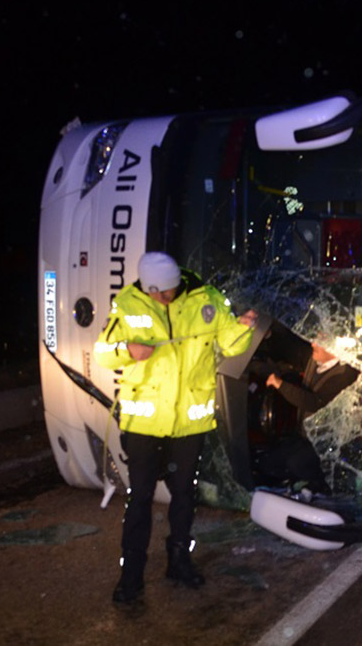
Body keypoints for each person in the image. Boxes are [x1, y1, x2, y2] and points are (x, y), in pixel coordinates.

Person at [94, 252, 256, 606]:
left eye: (170, 292)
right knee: (139, 499)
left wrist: (242, 328)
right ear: (147, 287)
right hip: (144, 423)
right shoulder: (127, 304)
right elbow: (103, 352)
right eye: (159, 293)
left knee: (184, 495)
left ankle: (179, 559)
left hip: (188, 422)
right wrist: (127, 349)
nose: (165, 298)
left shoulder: (206, 298)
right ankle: (131, 574)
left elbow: (228, 343)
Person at [256, 337, 358, 492]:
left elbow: (315, 402)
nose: (313, 343)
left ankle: (323, 488)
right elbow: (290, 350)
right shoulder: (315, 359)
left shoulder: (344, 374)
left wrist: (280, 385)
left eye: (320, 340)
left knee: (296, 463)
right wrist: (269, 337)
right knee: (267, 462)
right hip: (303, 435)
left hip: (326, 443)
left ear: (334, 348)